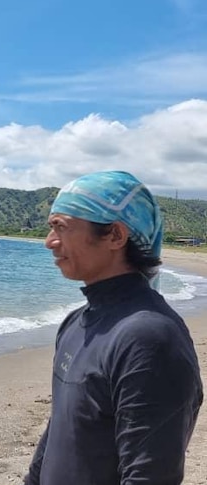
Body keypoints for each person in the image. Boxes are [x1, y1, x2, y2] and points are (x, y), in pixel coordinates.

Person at [24, 170, 203, 485]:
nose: (49, 242)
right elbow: (59, 431)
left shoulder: (149, 338)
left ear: (115, 236)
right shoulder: (77, 322)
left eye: (61, 227)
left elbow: (150, 475)